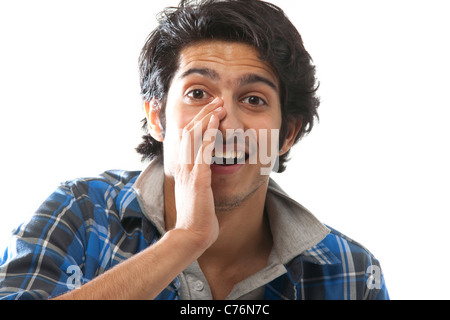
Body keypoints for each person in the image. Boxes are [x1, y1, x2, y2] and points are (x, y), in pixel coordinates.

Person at [0, 0, 388, 300]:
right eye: (198, 93)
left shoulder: (351, 270)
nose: (226, 124)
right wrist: (185, 238)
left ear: (286, 134)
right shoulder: (81, 212)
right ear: (157, 118)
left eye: (253, 99)